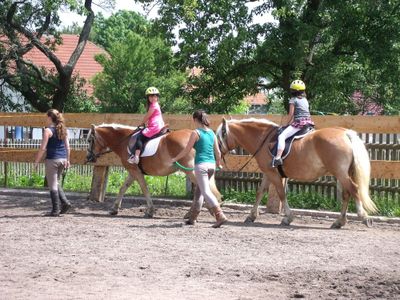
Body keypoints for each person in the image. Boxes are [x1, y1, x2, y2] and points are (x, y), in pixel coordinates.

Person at [172, 110, 228, 228]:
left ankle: (219, 215)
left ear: (194, 120)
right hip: (211, 165)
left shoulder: (196, 133)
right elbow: (217, 152)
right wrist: (218, 163)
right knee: (200, 191)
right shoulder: (212, 133)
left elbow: (187, 150)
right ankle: (192, 218)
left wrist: (175, 158)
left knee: (206, 191)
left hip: (201, 165)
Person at [34, 109, 71, 216]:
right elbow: (68, 147)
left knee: (53, 185)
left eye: (46, 117)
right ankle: (65, 203)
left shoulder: (48, 131)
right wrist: (68, 160)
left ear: (50, 118)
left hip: (52, 160)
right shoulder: (63, 130)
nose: (46, 119)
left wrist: (36, 161)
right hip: (63, 159)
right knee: (56, 182)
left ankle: (56, 210)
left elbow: (42, 148)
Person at [272, 79, 314, 167]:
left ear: (293, 91)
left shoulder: (293, 100)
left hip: (299, 123)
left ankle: (278, 158)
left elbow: (291, 115)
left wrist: (286, 124)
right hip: (309, 122)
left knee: (281, 136)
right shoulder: (305, 100)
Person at [128, 87, 165, 164]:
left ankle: (136, 157)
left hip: (155, 127)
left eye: (154, 96)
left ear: (157, 97)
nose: (152, 98)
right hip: (157, 125)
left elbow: (147, 116)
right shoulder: (156, 104)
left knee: (139, 137)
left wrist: (142, 123)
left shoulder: (154, 105)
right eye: (150, 96)